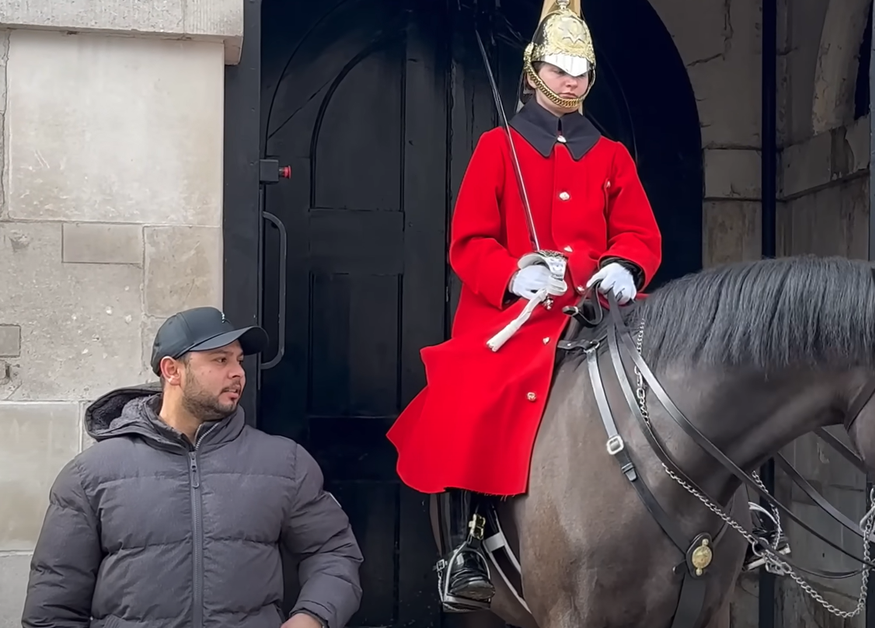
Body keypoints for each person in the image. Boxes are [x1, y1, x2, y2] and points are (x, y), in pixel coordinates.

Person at [384, 0, 663, 613]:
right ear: (536, 70)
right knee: (469, 393)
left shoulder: (612, 155)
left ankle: (732, 520)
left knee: (680, 381)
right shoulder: (497, 147)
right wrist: (514, 271)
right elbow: (469, 241)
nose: (571, 80)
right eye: (561, 68)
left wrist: (624, 265)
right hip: (517, 316)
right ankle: (469, 544)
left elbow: (640, 233)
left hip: (599, 308)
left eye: (581, 70)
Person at [22, 307, 364, 628]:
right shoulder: (91, 474)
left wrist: (312, 616)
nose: (238, 373)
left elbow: (333, 551)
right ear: (172, 370)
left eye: (239, 361)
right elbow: (53, 608)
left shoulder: (284, 463)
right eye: (220, 359)